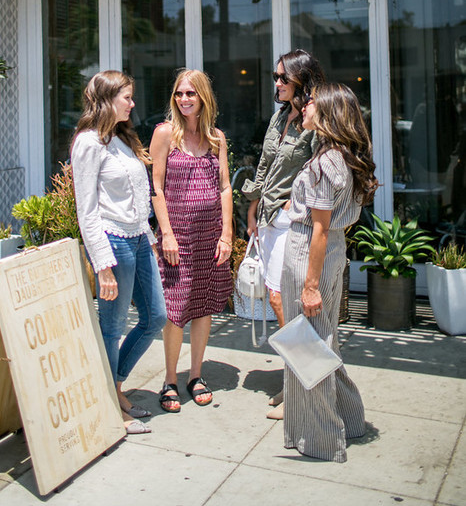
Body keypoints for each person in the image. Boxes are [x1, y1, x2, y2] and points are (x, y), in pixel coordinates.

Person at [280, 82, 379, 462]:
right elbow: (331, 223)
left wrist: (309, 286)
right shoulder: (341, 157)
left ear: (327, 113)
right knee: (323, 341)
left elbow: (319, 229)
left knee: (306, 347)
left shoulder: (325, 162)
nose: (303, 108)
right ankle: (351, 420)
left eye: (310, 104)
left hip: (310, 252)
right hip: (330, 249)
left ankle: (322, 439)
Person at [71, 70, 167, 435]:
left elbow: (139, 197)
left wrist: (151, 241)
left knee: (155, 316)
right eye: (126, 96)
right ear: (106, 99)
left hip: (139, 239)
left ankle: (115, 384)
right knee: (111, 327)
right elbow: (87, 209)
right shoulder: (88, 143)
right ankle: (111, 402)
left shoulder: (122, 138)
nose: (132, 102)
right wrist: (103, 265)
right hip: (113, 242)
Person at [242, 49, 325, 417]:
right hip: (269, 220)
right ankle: (297, 379)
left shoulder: (314, 120)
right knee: (276, 299)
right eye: (275, 77)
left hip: (294, 224)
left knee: (286, 301)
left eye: (282, 78)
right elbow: (265, 164)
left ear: (301, 81)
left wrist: (298, 206)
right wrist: (252, 209)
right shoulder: (279, 118)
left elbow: (321, 167)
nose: (276, 83)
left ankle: (301, 386)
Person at [150, 69, 233, 413]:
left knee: (203, 307)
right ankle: (170, 379)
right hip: (177, 237)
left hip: (210, 235)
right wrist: (166, 233)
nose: (184, 99)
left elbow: (226, 186)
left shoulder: (216, 138)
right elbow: (155, 187)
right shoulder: (165, 134)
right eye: (179, 94)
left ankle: (195, 375)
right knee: (174, 309)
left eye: (191, 94)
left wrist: (227, 234)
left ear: (203, 98)